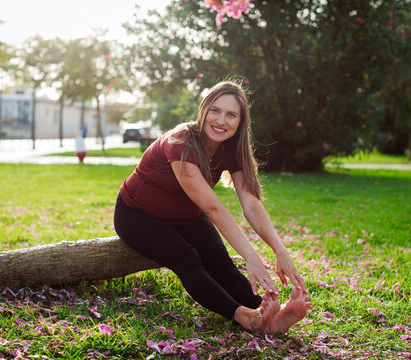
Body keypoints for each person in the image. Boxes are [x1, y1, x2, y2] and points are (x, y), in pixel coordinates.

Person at [114, 80, 310, 334]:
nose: (221, 120)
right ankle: (246, 317)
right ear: (204, 110)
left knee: (220, 261)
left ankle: (267, 317)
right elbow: (215, 209)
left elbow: (250, 202)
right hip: (137, 215)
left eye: (231, 115)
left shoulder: (231, 148)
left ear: (240, 122)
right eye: (215, 110)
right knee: (188, 259)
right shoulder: (180, 142)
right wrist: (252, 257)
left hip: (185, 215)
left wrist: (280, 251)